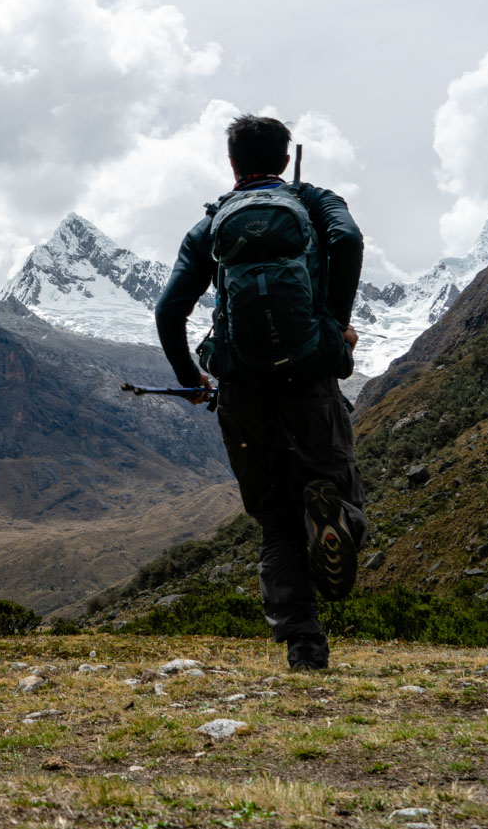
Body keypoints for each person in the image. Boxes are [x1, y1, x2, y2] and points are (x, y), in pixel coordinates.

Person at [154, 113, 368, 671]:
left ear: (232, 164)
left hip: (242, 390)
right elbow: (348, 239)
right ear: (282, 158)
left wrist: (189, 377)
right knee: (333, 486)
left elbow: (168, 311)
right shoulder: (315, 202)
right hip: (309, 381)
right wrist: (331, 328)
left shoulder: (212, 224)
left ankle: (304, 646)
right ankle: (337, 521)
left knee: (274, 517)